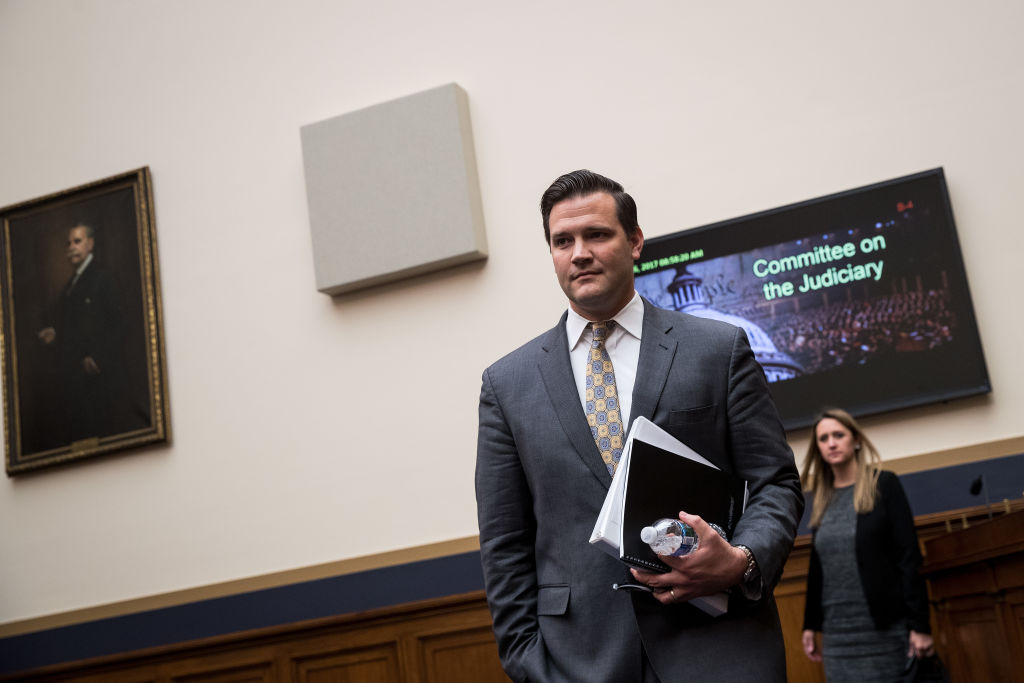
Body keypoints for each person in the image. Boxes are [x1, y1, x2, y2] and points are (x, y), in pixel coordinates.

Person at [475, 169, 805, 682]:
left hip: (721, 649)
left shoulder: (718, 350)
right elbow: (505, 542)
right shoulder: (507, 385)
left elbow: (775, 483)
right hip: (578, 661)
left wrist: (741, 561)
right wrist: (528, 661)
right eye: (563, 241)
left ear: (635, 242)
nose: (579, 252)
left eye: (597, 235)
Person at [800, 408, 935, 681]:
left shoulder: (884, 484)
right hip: (837, 635)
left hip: (884, 629)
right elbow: (818, 569)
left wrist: (920, 626)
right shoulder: (822, 499)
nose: (832, 443)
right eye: (824, 439)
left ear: (856, 440)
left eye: (839, 435)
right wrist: (810, 624)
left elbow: (909, 558)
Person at [37, 223, 124, 442]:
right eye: (68, 243)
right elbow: (75, 325)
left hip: (97, 376)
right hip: (74, 378)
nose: (71, 248)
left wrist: (99, 357)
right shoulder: (71, 285)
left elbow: (118, 324)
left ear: (90, 244)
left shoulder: (102, 278)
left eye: (77, 241)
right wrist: (55, 333)